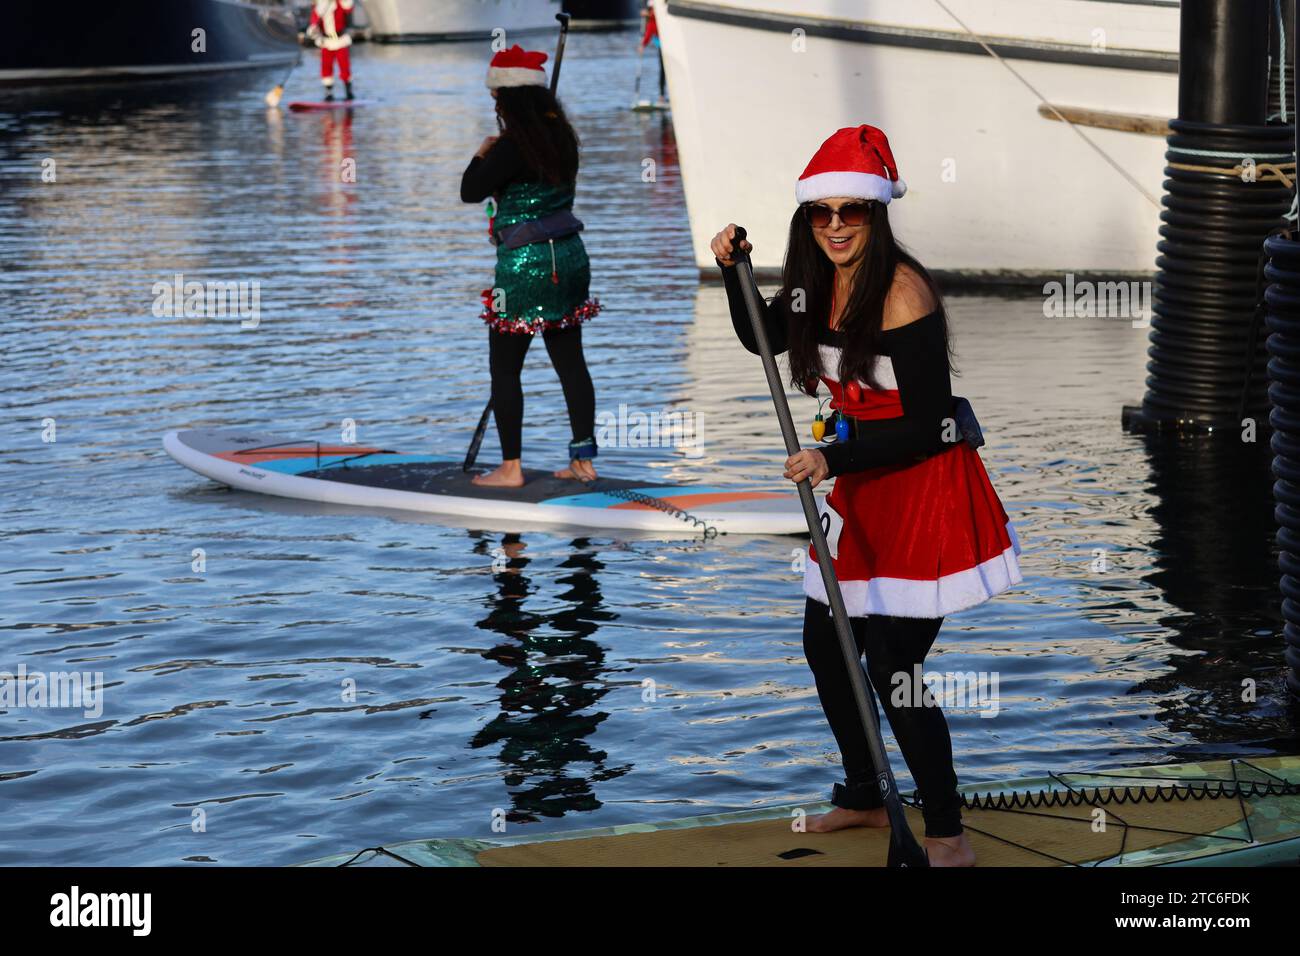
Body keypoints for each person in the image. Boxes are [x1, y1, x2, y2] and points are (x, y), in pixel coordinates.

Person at [713, 124, 1022, 866]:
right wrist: (733, 270)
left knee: (892, 669)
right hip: (854, 489)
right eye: (822, 214)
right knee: (825, 646)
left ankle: (947, 834)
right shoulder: (814, 283)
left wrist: (830, 453)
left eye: (852, 212)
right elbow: (762, 341)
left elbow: (932, 429)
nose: (836, 226)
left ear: (877, 215)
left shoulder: (903, 291)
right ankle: (862, 797)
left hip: (922, 493)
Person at [460, 45, 602, 488]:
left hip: (523, 267)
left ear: (509, 99)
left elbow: (470, 191)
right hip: (571, 258)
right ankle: (582, 460)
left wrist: (483, 154)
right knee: (571, 362)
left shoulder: (510, 146)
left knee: (505, 367)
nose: (495, 106)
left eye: (497, 99)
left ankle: (510, 468)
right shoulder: (562, 139)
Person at [306, 0, 355, 102]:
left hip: (340, 40)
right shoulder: (319, 7)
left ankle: (348, 91)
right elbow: (314, 22)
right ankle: (329, 93)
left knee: (344, 66)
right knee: (326, 66)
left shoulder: (340, 3)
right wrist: (313, 30)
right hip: (326, 41)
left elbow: (348, 8)